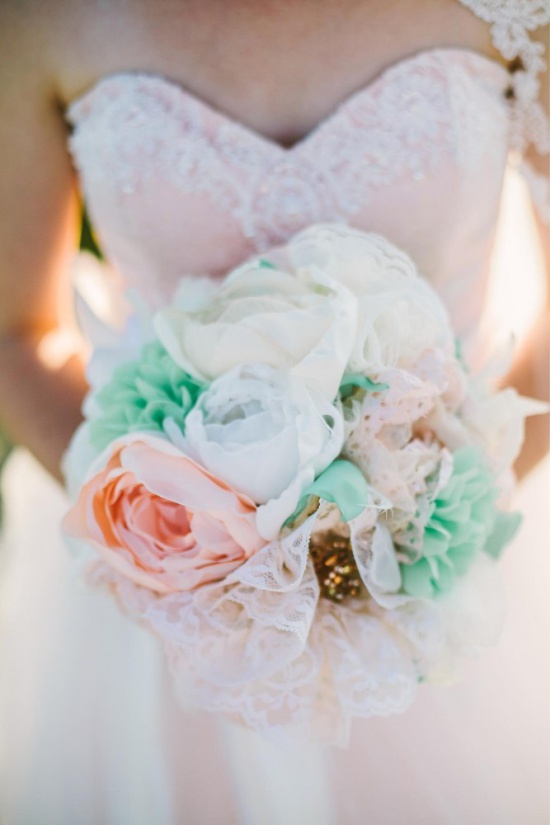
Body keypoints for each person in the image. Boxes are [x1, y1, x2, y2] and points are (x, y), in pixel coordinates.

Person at [0, 1, 548, 822]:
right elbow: (17, 331)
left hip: (442, 568)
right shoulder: (39, 17)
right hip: (169, 601)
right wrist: (187, 562)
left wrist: (423, 524)